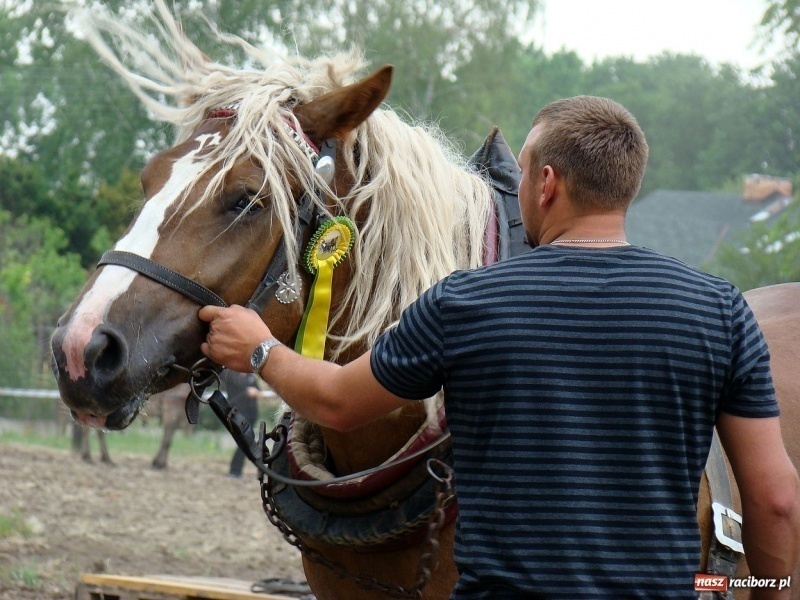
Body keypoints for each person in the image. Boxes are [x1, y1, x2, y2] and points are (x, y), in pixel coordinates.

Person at [198, 96, 800, 599]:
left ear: (546, 183)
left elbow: (335, 402)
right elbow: (775, 501)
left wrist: (259, 349)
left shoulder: (465, 302)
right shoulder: (720, 310)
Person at [221, 370, 261, 477]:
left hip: (251, 415)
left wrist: (255, 392)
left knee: (245, 442)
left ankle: (236, 470)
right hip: (237, 413)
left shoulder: (250, 376)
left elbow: (258, 391)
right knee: (244, 442)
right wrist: (246, 393)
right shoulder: (230, 376)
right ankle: (235, 470)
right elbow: (233, 399)